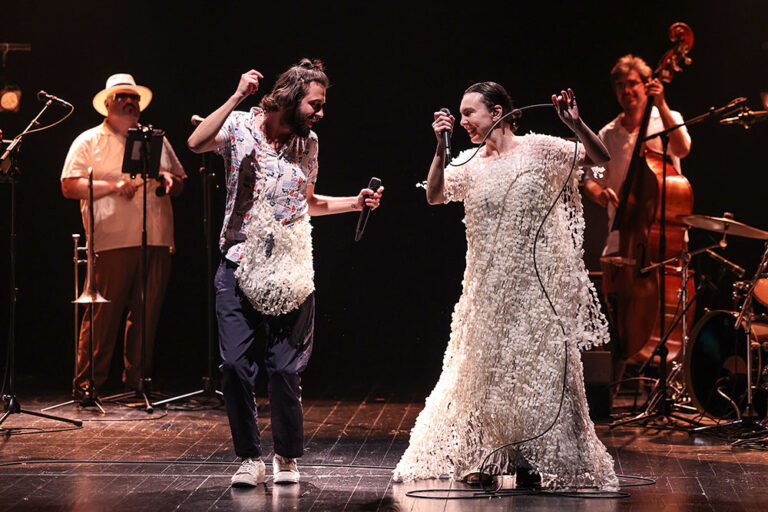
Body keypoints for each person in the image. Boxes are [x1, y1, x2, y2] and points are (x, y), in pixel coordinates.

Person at [393, 82, 619, 491]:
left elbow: (599, 156)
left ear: (496, 112)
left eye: (469, 113)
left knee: (533, 374)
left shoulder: (538, 148)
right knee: (487, 374)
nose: (462, 121)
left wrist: (575, 123)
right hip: (488, 288)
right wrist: (441, 148)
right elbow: (435, 195)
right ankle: (485, 456)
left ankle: (531, 456)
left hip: (538, 287)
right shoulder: (469, 162)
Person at [187, 59, 383, 488]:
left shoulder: (308, 144)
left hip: (289, 268)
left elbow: (307, 203)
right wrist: (236, 96)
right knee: (234, 365)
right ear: (292, 98)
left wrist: (355, 203)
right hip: (238, 262)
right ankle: (249, 458)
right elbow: (196, 142)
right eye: (316, 104)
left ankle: (286, 457)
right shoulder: (241, 126)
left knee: (283, 369)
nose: (321, 113)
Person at [61, 74, 185, 402]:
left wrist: (169, 180)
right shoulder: (89, 140)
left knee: (147, 314)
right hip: (112, 238)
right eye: (122, 97)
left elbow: (179, 180)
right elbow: (69, 185)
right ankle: (87, 383)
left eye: (134, 98)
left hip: (156, 235)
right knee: (103, 315)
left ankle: (138, 381)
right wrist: (113, 186)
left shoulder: (155, 139)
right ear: (107, 104)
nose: (130, 102)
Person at [582, 54, 691, 256]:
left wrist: (661, 104)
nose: (626, 90)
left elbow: (682, 149)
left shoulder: (669, 119)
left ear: (647, 85)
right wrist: (599, 193)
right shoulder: (607, 135)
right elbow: (593, 178)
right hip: (622, 234)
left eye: (632, 83)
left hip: (665, 234)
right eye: (620, 85)